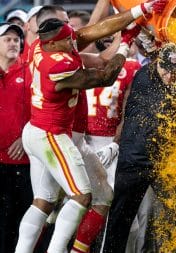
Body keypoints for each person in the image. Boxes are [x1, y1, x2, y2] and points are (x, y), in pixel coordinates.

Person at [14, 18, 128, 253]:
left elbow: (95, 33)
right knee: (81, 196)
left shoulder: (41, 44)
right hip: (55, 135)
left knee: (44, 201)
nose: (72, 38)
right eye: (66, 36)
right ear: (54, 43)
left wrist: (139, 12)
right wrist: (125, 45)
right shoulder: (58, 65)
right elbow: (104, 76)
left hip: (47, 132)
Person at [102, 42, 176, 253]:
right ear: (157, 64)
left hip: (161, 162)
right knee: (120, 220)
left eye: (175, 71)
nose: (170, 76)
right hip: (135, 160)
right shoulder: (145, 78)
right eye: (166, 70)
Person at [0, 22, 32, 253]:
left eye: (16, 39)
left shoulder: (30, 71)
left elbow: (44, 110)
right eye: (7, 39)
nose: (13, 43)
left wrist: (25, 138)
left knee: (25, 223)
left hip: (27, 162)